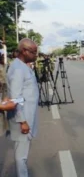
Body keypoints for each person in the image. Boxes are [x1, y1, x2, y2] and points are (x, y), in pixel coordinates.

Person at [6, 38, 39, 177]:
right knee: (21, 156)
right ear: (24, 51)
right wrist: (23, 121)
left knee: (23, 154)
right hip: (22, 119)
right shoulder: (18, 69)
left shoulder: (23, 66)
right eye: (33, 52)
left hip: (27, 116)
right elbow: (15, 98)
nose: (36, 55)